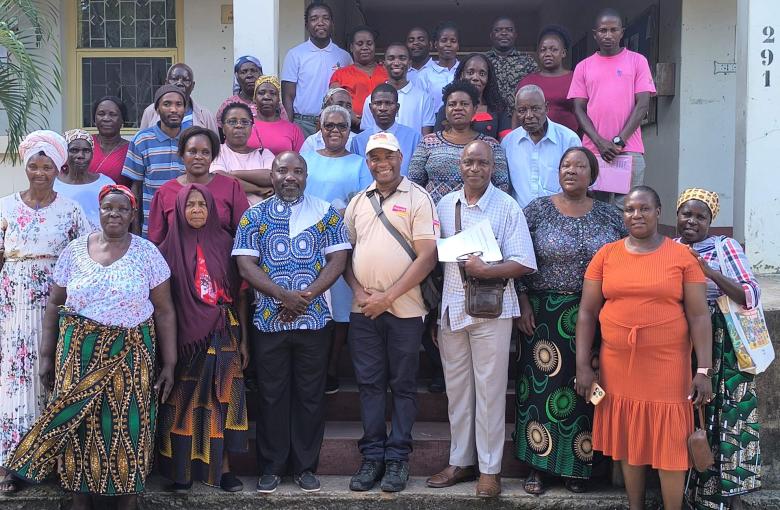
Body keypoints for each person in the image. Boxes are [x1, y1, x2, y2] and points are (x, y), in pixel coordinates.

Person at [4, 184, 176, 510]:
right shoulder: (74, 251)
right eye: (108, 208)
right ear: (99, 211)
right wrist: (45, 356)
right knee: (77, 425)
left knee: (127, 426)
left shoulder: (147, 253)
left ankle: (127, 497)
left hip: (130, 353)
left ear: (132, 214)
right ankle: (79, 498)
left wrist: (169, 362)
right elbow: (55, 305)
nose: (114, 214)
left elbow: (165, 310)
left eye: (122, 209)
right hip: (77, 352)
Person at [575, 186, 714, 510]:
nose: (636, 215)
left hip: (668, 365)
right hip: (618, 364)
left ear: (658, 212)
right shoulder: (606, 255)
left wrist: (703, 369)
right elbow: (587, 312)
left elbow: (698, 315)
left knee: (671, 443)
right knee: (629, 439)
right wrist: (583, 364)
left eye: (644, 209)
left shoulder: (682, 257)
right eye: (630, 210)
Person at [233, 151, 351, 493]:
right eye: (282, 170)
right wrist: (283, 296)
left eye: (297, 171)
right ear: (271, 175)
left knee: (310, 396)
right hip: (269, 322)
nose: (290, 176)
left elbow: (338, 259)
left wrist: (305, 297)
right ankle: (271, 466)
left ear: (306, 176)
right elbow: (245, 266)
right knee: (271, 395)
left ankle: (304, 467)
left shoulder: (325, 213)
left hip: (314, 321)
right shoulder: (254, 215)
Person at [427, 140, 536, 498]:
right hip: (452, 308)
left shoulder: (506, 207)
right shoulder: (444, 205)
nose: (475, 168)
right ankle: (460, 461)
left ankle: (490, 470)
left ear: (493, 167)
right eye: (469, 162)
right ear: (460, 164)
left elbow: (523, 262)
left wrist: (486, 269)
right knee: (457, 390)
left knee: (490, 391)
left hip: (493, 310)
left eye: (482, 163)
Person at [514, 147, 626, 495]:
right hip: (543, 314)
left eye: (580, 165)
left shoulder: (610, 217)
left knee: (584, 390)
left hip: (594, 315)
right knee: (539, 391)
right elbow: (516, 251)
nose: (571, 170)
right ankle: (537, 467)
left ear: (593, 175)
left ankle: (579, 466)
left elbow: (625, 260)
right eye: (565, 165)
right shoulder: (537, 210)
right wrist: (521, 299)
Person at [344, 132, 439, 493]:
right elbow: (343, 255)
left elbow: (427, 256)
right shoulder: (358, 202)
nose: (381, 164)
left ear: (400, 157)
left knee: (401, 384)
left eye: (388, 156)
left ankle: (397, 458)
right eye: (374, 158)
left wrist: (388, 297)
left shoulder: (419, 198)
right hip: (363, 310)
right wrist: (357, 291)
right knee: (369, 385)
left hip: (406, 310)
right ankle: (372, 458)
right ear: (367, 162)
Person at [0, 131, 89, 495]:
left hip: (54, 306)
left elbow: (84, 259)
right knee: (13, 382)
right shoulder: (5, 206)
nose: (39, 172)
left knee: (50, 379)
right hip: (12, 306)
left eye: (47, 166)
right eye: (33, 166)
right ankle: (9, 465)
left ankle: (47, 462)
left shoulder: (70, 210)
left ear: (58, 168)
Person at [157, 184, 249, 493]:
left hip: (223, 333)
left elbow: (240, 296)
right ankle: (180, 474)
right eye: (190, 205)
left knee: (221, 403)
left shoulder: (227, 244)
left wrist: (245, 340)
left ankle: (224, 471)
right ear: (179, 210)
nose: (197, 210)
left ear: (212, 209)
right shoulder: (164, 250)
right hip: (184, 338)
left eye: (203, 205)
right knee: (182, 405)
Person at [675, 189, 762, 510]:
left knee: (729, 416)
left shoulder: (726, 247)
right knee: (693, 416)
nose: (692, 221)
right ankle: (694, 495)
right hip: (684, 340)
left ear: (711, 221)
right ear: (676, 215)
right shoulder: (671, 249)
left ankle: (731, 496)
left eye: (700, 216)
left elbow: (750, 293)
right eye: (686, 214)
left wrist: (709, 272)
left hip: (725, 343)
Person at [302, 105, 366, 394]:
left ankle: (330, 368)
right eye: (330, 126)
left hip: (341, 243)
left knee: (339, 309)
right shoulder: (306, 159)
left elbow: (362, 201)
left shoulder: (359, 162)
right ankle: (310, 368)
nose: (336, 131)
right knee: (310, 301)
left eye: (342, 126)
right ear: (320, 127)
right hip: (305, 244)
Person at [568, 8, 656, 207]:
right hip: (593, 151)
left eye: (613, 30)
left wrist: (619, 141)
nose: (608, 35)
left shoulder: (637, 61)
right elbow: (579, 108)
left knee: (628, 209)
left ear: (622, 32)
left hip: (628, 150)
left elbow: (642, 104)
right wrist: (599, 142)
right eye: (603, 30)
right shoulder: (583, 66)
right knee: (594, 208)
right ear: (595, 34)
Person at [408, 80, 510, 204]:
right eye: (452, 104)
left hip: (478, 218)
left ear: (475, 109)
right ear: (445, 110)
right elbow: (413, 183)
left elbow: (502, 186)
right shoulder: (428, 142)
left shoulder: (491, 145)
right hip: (433, 218)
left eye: (464, 104)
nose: (458, 108)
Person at [147, 127, 249, 245]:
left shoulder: (230, 187)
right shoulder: (165, 192)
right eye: (192, 151)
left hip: (221, 260)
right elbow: (155, 241)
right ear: (181, 155)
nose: (198, 157)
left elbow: (245, 232)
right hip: (175, 262)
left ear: (213, 157)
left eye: (205, 152)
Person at [122, 84, 187, 237]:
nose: (173, 109)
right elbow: (135, 188)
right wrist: (136, 231)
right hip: (153, 229)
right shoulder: (141, 140)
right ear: (157, 109)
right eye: (167, 104)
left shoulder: (192, 139)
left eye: (179, 104)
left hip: (188, 226)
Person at [501, 85, 580, 208]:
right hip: (520, 219)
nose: (529, 115)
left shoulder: (568, 140)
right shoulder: (508, 143)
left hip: (558, 217)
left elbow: (579, 184)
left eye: (535, 109)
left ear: (546, 108)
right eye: (522, 110)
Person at [281, 2, 352, 137]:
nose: (320, 23)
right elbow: (288, 96)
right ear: (307, 25)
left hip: (336, 123)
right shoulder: (295, 54)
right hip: (302, 124)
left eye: (325, 18)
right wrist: (289, 128)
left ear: (332, 23)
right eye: (314, 19)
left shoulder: (344, 56)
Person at [359, 42, 436, 135]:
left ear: (410, 63)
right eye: (391, 58)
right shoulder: (371, 100)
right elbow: (366, 136)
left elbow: (425, 138)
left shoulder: (424, 98)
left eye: (402, 58)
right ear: (383, 64)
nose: (396, 62)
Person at [433, 53, 512, 140]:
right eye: (470, 73)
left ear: (488, 78)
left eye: (482, 74)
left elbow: (506, 142)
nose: (475, 78)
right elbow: (436, 141)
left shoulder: (498, 108)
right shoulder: (448, 109)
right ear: (462, 75)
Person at [351, 83, 421, 178]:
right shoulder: (358, 141)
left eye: (388, 103)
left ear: (397, 108)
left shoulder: (414, 138)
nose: (383, 108)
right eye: (378, 103)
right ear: (371, 108)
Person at [517, 25, 578, 133]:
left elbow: (583, 112)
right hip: (533, 141)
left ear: (563, 53)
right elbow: (517, 114)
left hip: (569, 141)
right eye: (543, 50)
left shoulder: (575, 79)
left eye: (553, 50)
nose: (548, 54)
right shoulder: (527, 81)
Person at [211, 102, 275, 205]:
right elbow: (220, 178)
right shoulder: (217, 150)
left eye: (245, 122)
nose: (239, 125)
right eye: (232, 122)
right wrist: (258, 189)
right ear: (223, 128)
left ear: (251, 127)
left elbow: (273, 176)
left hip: (262, 217)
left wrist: (233, 174)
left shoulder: (263, 154)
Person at [55, 129, 115, 231]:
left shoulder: (106, 184)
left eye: (86, 151)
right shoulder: (53, 184)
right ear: (64, 153)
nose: (80, 156)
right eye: (74, 150)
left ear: (92, 154)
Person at [329, 25, 388, 126]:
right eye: (359, 44)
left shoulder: (386, 72)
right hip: (352, 128)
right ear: (351, 47)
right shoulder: (340, 75)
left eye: (369, 43)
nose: (365, 47)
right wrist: (355, 120)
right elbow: (334, 105)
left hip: (384, 126)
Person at [214, 56, 291, 132]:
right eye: (243, 72)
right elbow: (220, 133)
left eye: (253, 71)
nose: (249, 75)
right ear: (237, 76)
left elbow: (285, 129)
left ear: (261, 74)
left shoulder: (274, 104)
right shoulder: (229, 104)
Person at [140, 63, 217, 133]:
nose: (179, 83)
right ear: (166, 83)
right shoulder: (150, 111)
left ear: (193, 86)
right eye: (174, 79)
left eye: (186, 80)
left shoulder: (206, 115)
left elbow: (215, 146)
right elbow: (142, 142)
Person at [485, 16, 539, 111]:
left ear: (515, 35)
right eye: (498, 30)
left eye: (509, 30)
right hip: (489, 116)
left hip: (520, 116)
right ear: (491, 35)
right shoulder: (483, 61)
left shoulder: (527, 62)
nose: (504, 33)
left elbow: (536, 90)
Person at [247, 75, 306, 155]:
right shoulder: (246, 126)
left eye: (272, 93)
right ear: (254, 98)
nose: (267, 97)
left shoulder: (293, 130)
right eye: (261, 93)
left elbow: (300, 160)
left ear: (278, 99)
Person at [417, 21, 460, 112]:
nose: (448, 44)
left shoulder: (465, 70)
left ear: (458, 46)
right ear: (436, 44)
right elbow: (420, 107)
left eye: (453, 41)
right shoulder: (424, 75)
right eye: (444, 40)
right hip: (434, 124)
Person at [88, 96, 131, 186]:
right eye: (101, 114)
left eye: (113, 114)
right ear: (94, 119)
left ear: (123, 119)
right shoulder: (84, 144)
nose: (106, 118)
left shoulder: (131, 150)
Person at [300, 87, 357, 154]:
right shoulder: (312, 141)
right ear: (327, 106)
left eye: (348, 106)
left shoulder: (356, 140)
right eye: (339, 104)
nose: (344, 109)